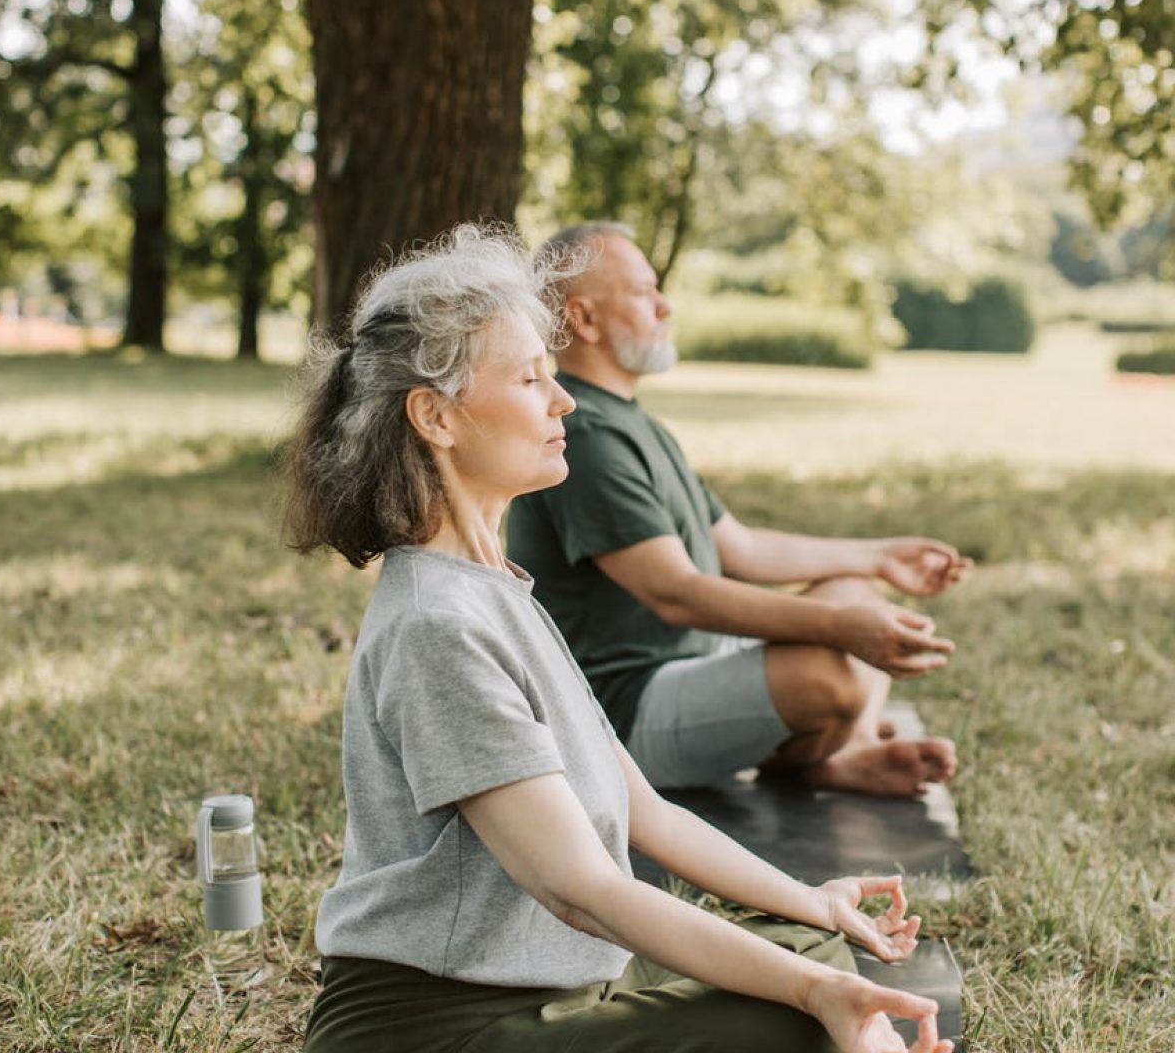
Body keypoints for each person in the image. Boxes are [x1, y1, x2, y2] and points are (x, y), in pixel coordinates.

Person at [285, 224, 953, 1053]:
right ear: (436, 417)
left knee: (827, 957)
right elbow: (584, 889)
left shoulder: (498, 591)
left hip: (559, 985)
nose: (563, 400)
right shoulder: (437, 628)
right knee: (809, 1017)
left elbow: (642, 808)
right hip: (445, 1024)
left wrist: (810, 903)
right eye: (531, 379)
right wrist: (818, 993)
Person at [507, 222, 971, 797]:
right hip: (620, 713)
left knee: (855, 592)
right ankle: (831, 750)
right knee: (832, 674)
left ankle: (842, 756)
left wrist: (879, 557)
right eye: (642, 293)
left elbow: (742, 549)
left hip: (691, 664)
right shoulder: (587, 436)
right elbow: (675, 593)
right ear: (584, 320)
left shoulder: (632, 422)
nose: (664, 306)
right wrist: (841, 629)